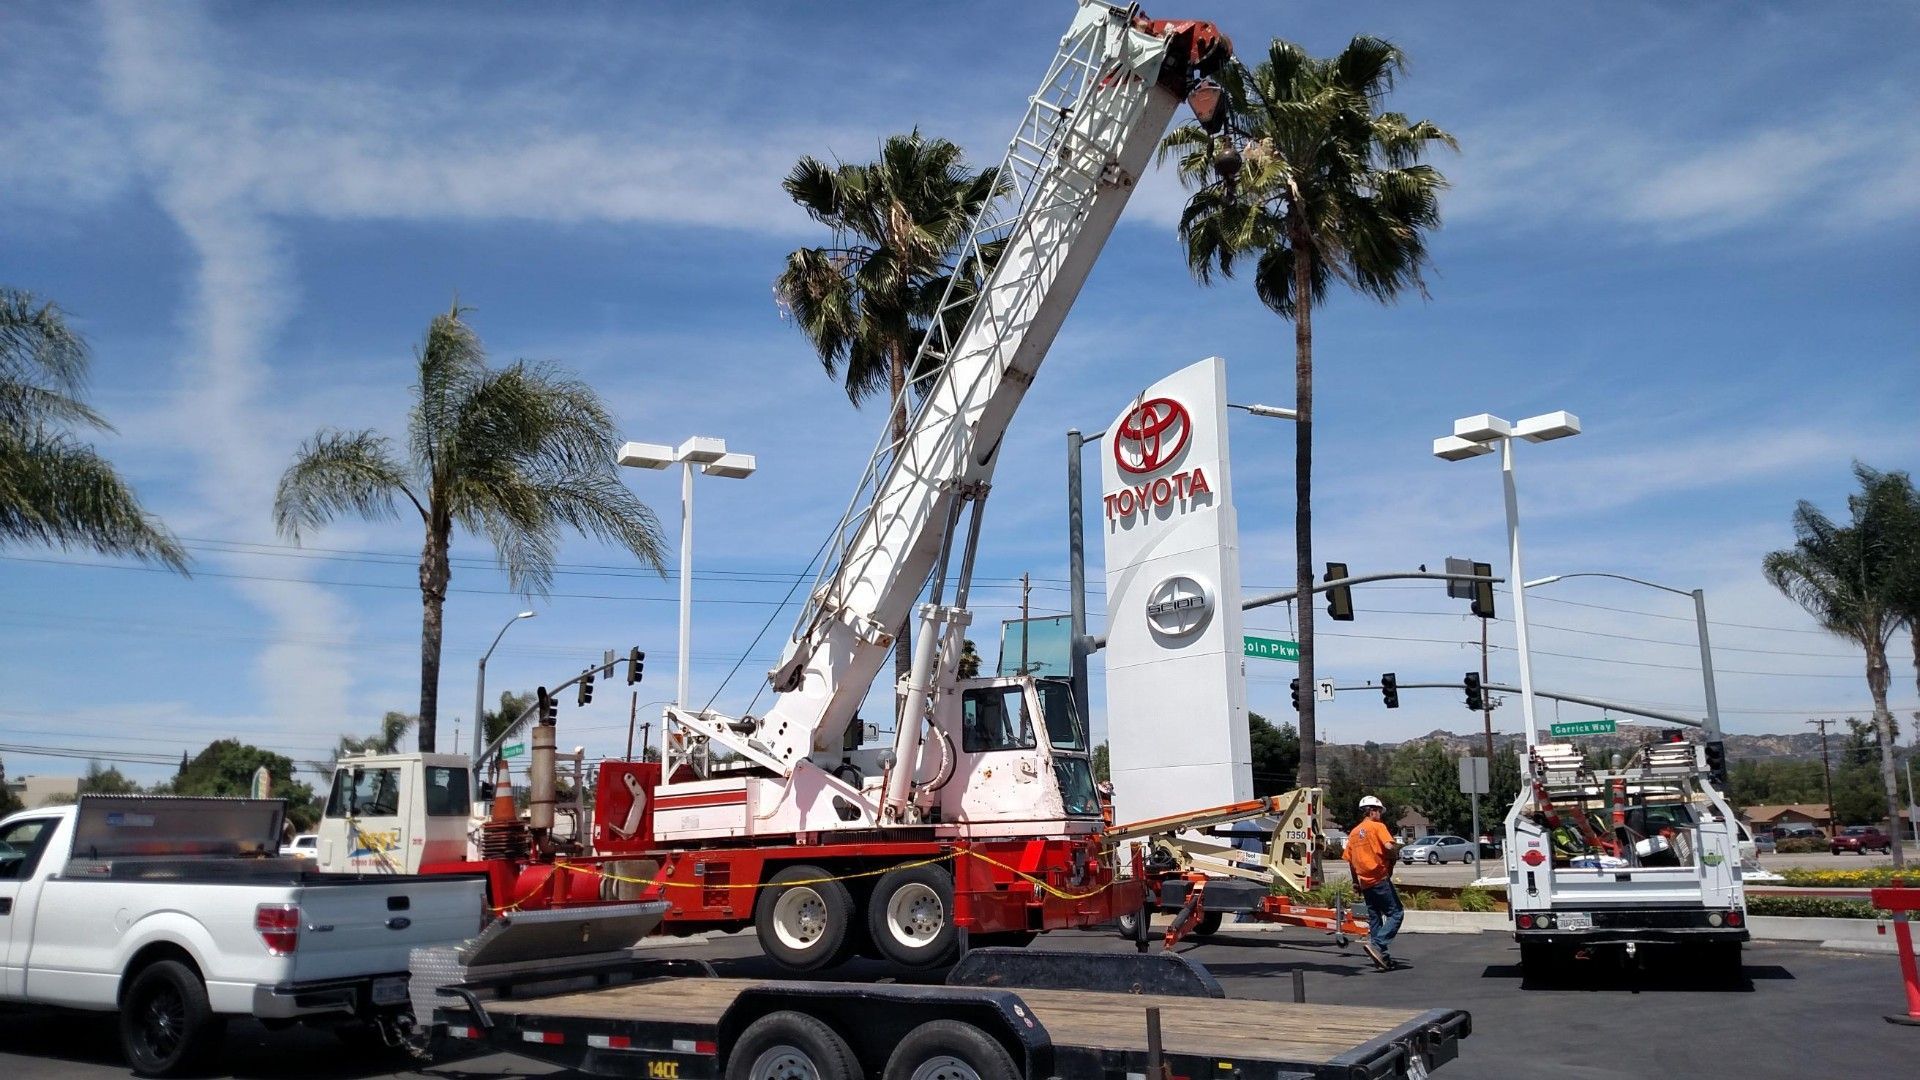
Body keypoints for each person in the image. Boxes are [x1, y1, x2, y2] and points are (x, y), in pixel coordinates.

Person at [1344, 794, 1403, 971]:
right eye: (1377, 810)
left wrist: (1356, 883)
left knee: (1375, 918)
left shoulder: (1354, 833)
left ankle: (1381, 958)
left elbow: (1351, 862)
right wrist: (1394, 856)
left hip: (1365, 883)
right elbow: (1389, 846)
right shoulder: (1377, 827)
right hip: (1380, 879)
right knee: (1396, 913)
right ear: (1370, 811)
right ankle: (1377, 945)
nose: (1380, 813)